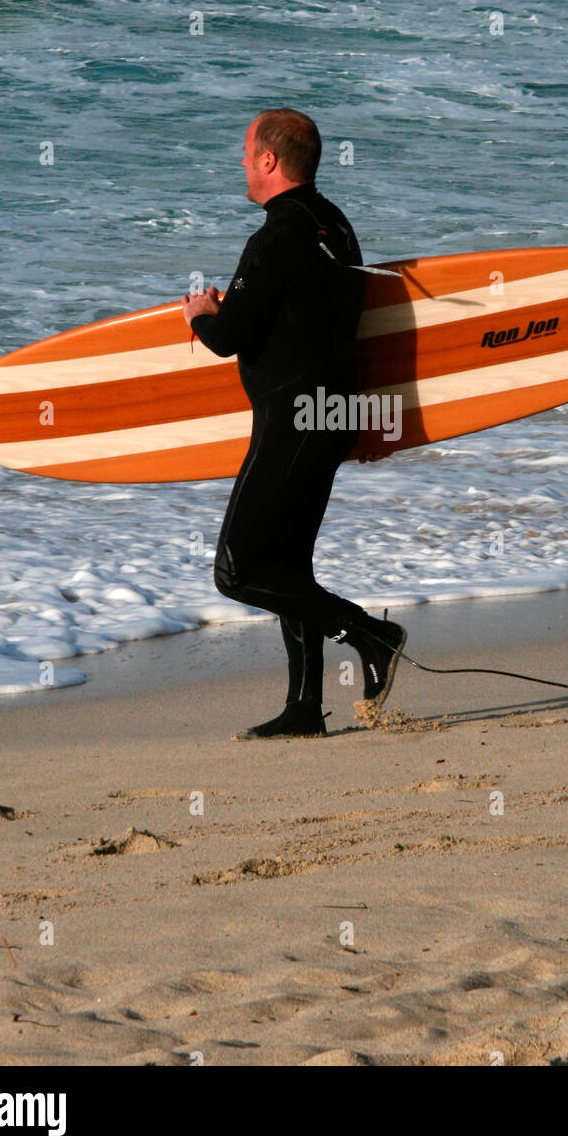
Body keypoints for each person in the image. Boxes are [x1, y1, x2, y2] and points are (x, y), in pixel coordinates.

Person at [182, 108, 405, 739]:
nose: (241, 162)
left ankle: (371, 633)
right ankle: (306, 707)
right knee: (288, 568)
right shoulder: (336, 226)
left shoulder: (277, 236)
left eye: (247, 152)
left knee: (239, 570)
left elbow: (227, 336)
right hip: (336, 415)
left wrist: (200, 313)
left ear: (271, 161)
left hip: (293, 420)